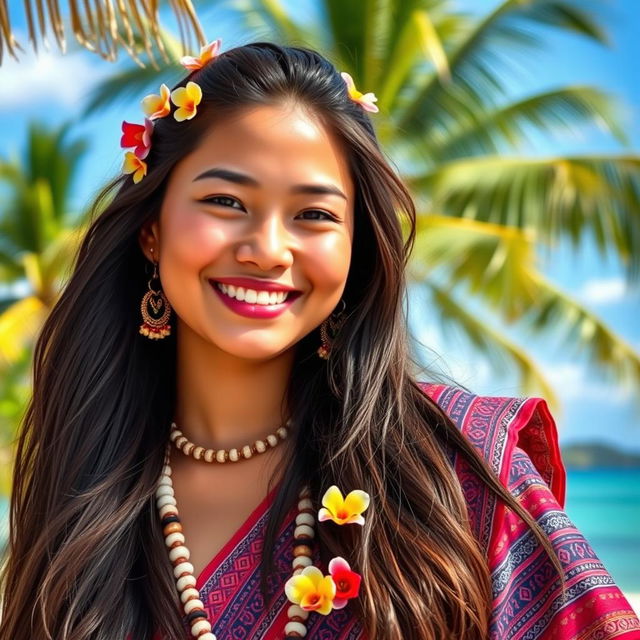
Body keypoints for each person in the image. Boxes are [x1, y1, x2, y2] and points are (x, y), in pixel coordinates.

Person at [0, 40, 637, 640]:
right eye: (225, 201)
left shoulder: (454, 472)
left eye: (314, 215)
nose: (267, 250)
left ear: (355, 249)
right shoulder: (84, 487)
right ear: (151, 229)